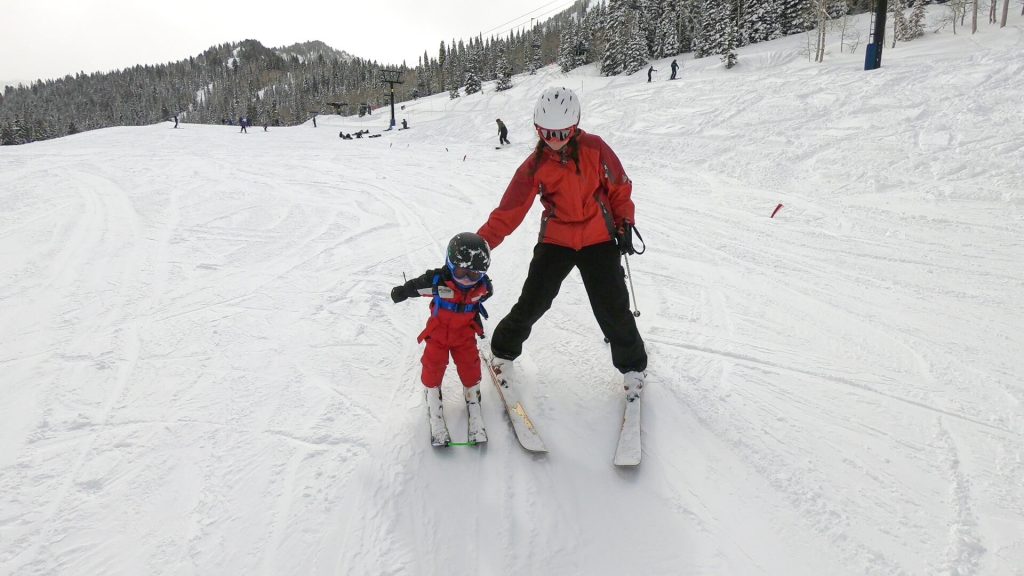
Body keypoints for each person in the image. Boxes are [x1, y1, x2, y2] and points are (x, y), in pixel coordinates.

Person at [477, 86, 647, 401]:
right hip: (557, 240)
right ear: (537, 129)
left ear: (575, 125)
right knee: (534, 301)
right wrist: (481, 243)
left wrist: (624, 224)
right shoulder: (535, 164)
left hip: (598, 239)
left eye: (561, 132)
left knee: (612, 307)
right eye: (547, 133)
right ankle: (502, 351)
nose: (554, 140)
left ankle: (633, 368)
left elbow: (620, 187)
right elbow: (510, 210)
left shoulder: (596, 148)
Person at [391, 232, 494, 445]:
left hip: (464, 334)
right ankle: (433, 399)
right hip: (438, 332)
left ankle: (473, 399)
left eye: (473, 275)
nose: (466, 279)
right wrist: (402, 291)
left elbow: (485, 294)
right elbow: (417, 286)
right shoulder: (438, 280)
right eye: (461, 272)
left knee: (470, 366)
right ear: (449, 264)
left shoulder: (483, 286)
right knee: (432, 366)